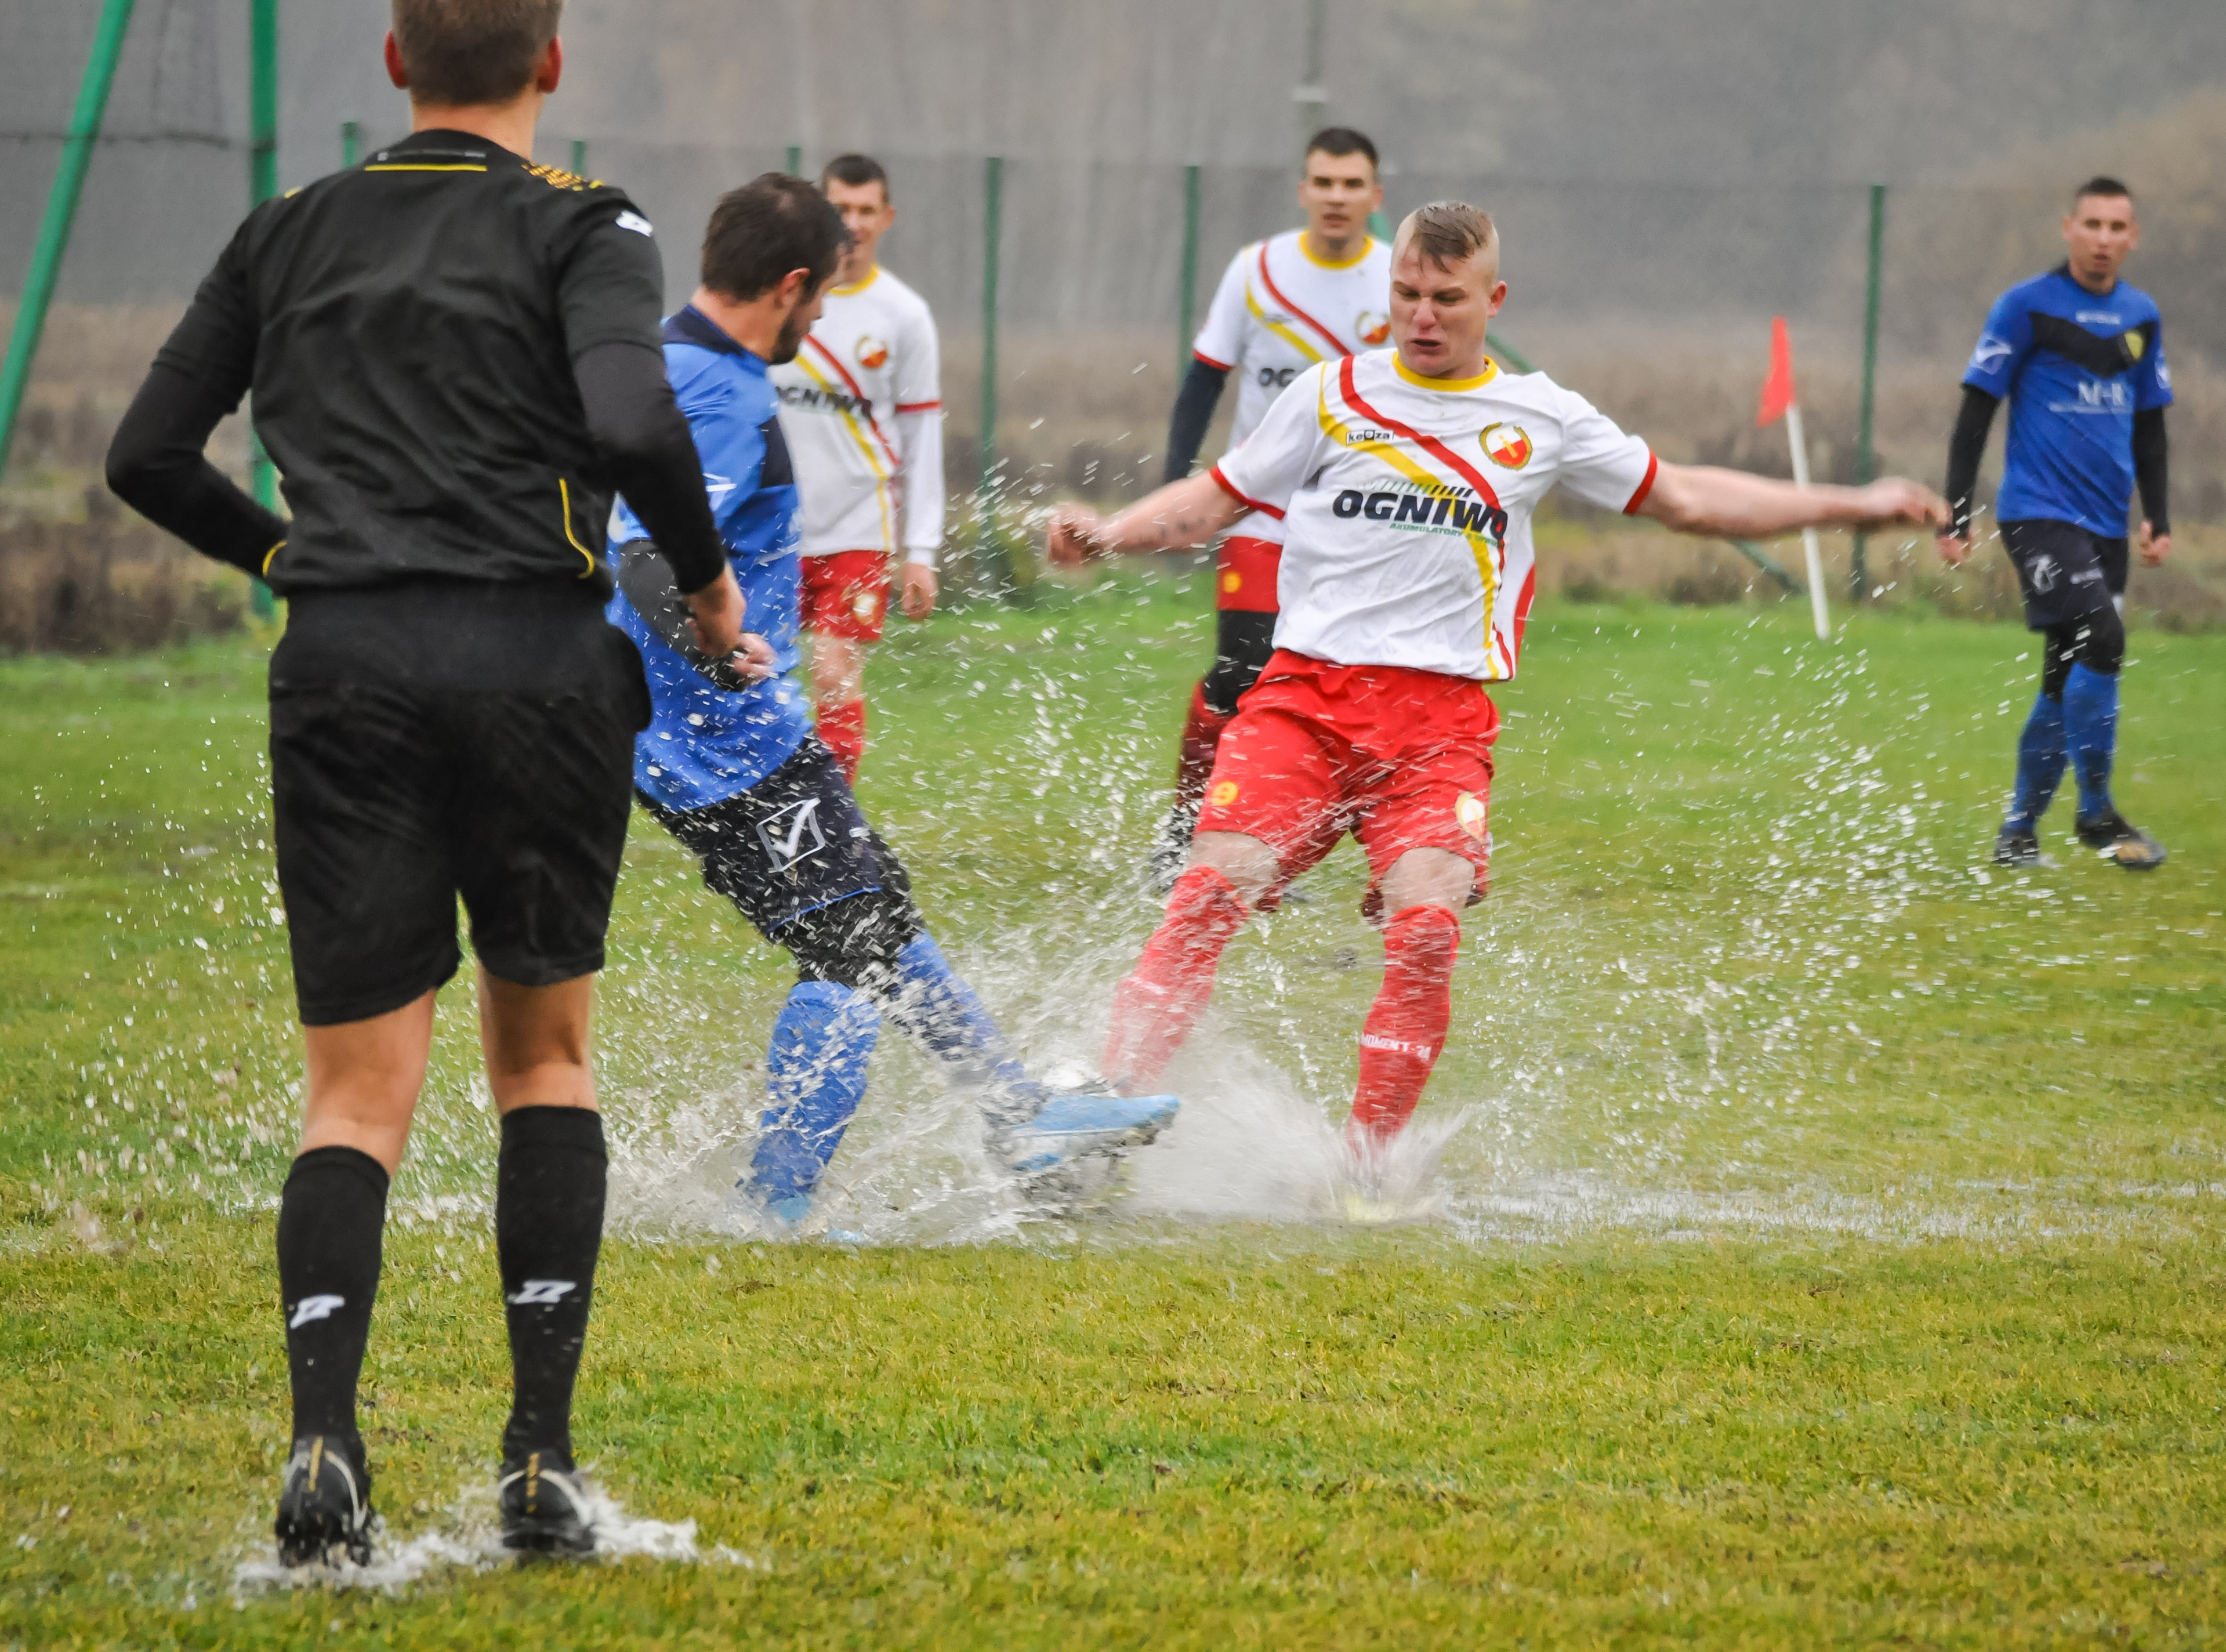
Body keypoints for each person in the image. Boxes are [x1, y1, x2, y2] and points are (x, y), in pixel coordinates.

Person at [102, 0, 751, 1564]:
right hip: (538, 669)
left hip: (345, 670)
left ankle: (325, 1447)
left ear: (393, 63)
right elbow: (627, 412)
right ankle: (539, 1463)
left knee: (352, 1096)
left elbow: (143, 454)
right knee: (541, 1062)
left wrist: (288, 558)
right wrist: (709, 588)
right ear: (551, 63)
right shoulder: (586, 223)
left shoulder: (289, 228)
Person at [1047, 202, 1945, 1186]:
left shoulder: (1541, 415)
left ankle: (1365, 1170)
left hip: (1435, 727)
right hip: (1300, 703)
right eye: (1405, 296)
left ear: (1492, 299)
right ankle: (1097, 1121)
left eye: (1445, 298)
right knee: (1209, 885)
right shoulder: (1331, 393)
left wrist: (1851, 504)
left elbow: (1688, 499)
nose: (1421, 317)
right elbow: (1215, 498)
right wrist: (1111, 532)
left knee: (1427, 923)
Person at [607, 175, 1178, 1233]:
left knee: (881, 914)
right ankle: (778, 1202)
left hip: (724, 733)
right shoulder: (724, 391)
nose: (822, 315)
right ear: (786, 286)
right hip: (722, 746)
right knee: (854, 956)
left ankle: (1019, 1113)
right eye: (817, 296)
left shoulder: (657, 360)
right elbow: (646, 558)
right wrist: (720, 645)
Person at [1148, 127, 1394, 889]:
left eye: (1352, 185)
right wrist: (1173, 494)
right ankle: (1189, 815)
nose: (1336, 197)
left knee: (1354, 681)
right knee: (1243, 673)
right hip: (1257, 511)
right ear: (1302, 189)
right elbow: (1203, 381)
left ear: (1375, 197)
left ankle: (1327, 835)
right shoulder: (1256, 270)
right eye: (1323, 182)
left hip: (1357, 518)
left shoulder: (1396, 279)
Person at [1937, 177, 2172, 870]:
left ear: (2132, 238)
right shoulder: (2024, 307)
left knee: (2064, 674)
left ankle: (2017, 834)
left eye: (2115, 227)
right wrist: (1957, 513)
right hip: (2036, 514)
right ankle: (2096, 813)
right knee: (2104, 637)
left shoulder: (2141, 315)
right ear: (2067, 228)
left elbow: (2152, 428)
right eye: (2091, 224)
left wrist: (2156, 515)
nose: (2102, 239)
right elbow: (1975, 413)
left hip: (2105, 524)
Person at [768, 153, 944, 783]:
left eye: (866, 210)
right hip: (774, 526)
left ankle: (833, 811)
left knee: (834, 671)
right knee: (762, 673)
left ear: (886, 217)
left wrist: (920, 547)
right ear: (820, 209)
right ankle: (770, 807)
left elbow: (923, 435)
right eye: (841, 207)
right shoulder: (780, 296)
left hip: (859, 528)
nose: (854, 222)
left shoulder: (904, 315)